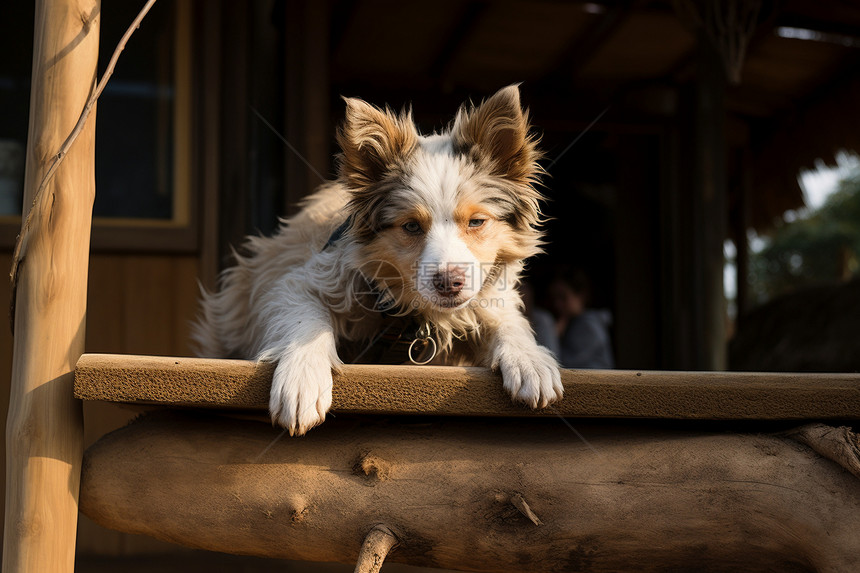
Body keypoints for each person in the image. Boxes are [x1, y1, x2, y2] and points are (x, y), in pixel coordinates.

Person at [547, 268, 615, 369]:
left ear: (580, 295)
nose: (557, 304)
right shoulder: (573, 323)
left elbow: (561, 365)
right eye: (554, 298)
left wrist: (552, 335)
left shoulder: (588, 326)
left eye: (563, 297)